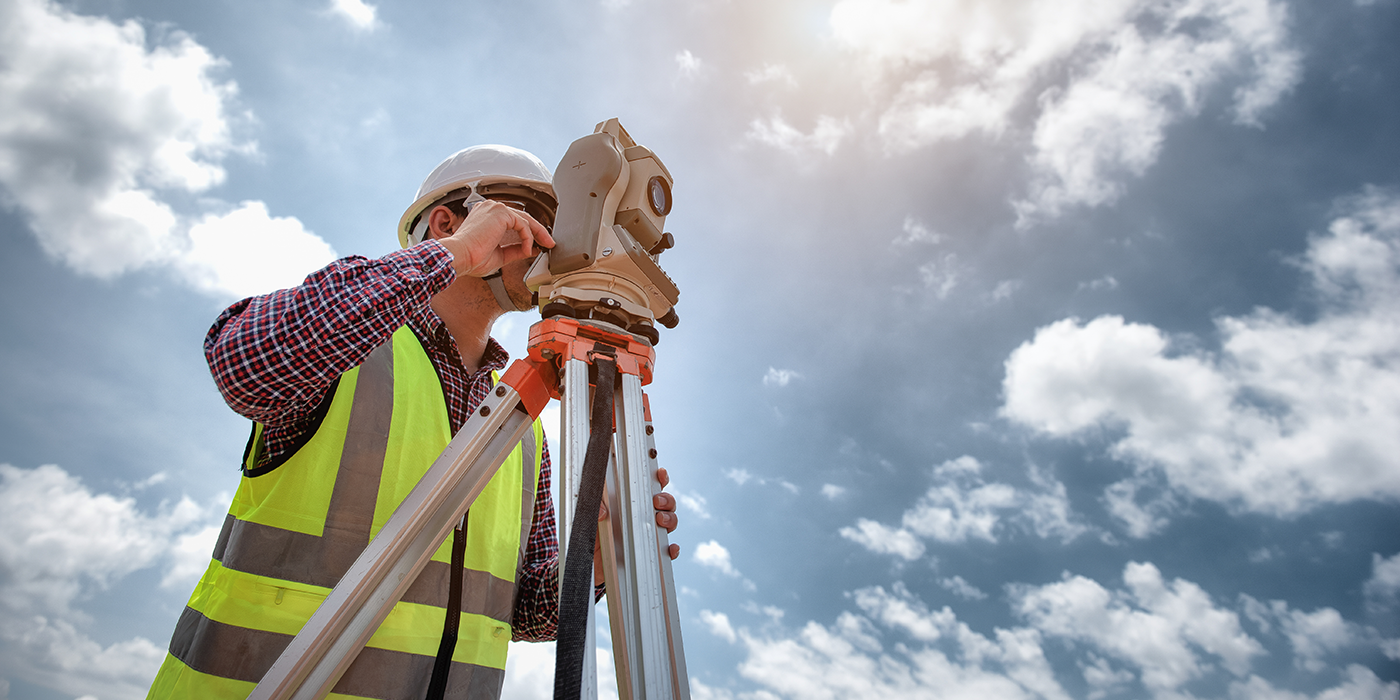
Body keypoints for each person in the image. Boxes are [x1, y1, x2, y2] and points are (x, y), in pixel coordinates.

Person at [146, 144, 680, 700]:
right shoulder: (351, 351)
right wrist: (455, 254)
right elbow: (245, 364)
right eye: (533, 219)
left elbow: (525, 612)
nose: (552, 241)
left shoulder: (523, 425)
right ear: (448, 222)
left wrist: (600, 556)